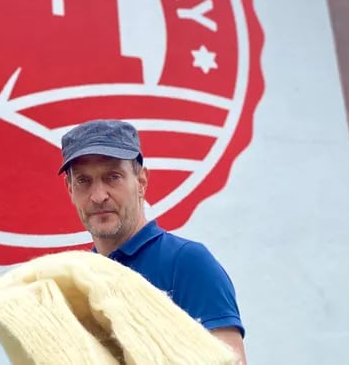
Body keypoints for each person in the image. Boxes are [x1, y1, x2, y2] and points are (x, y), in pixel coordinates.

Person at [58, 119, 247, 363]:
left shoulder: (187, 262)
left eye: (113, 177)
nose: (98, 196)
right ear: (70, 189)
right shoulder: (75, 282)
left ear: (141, 182)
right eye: (84, 181)